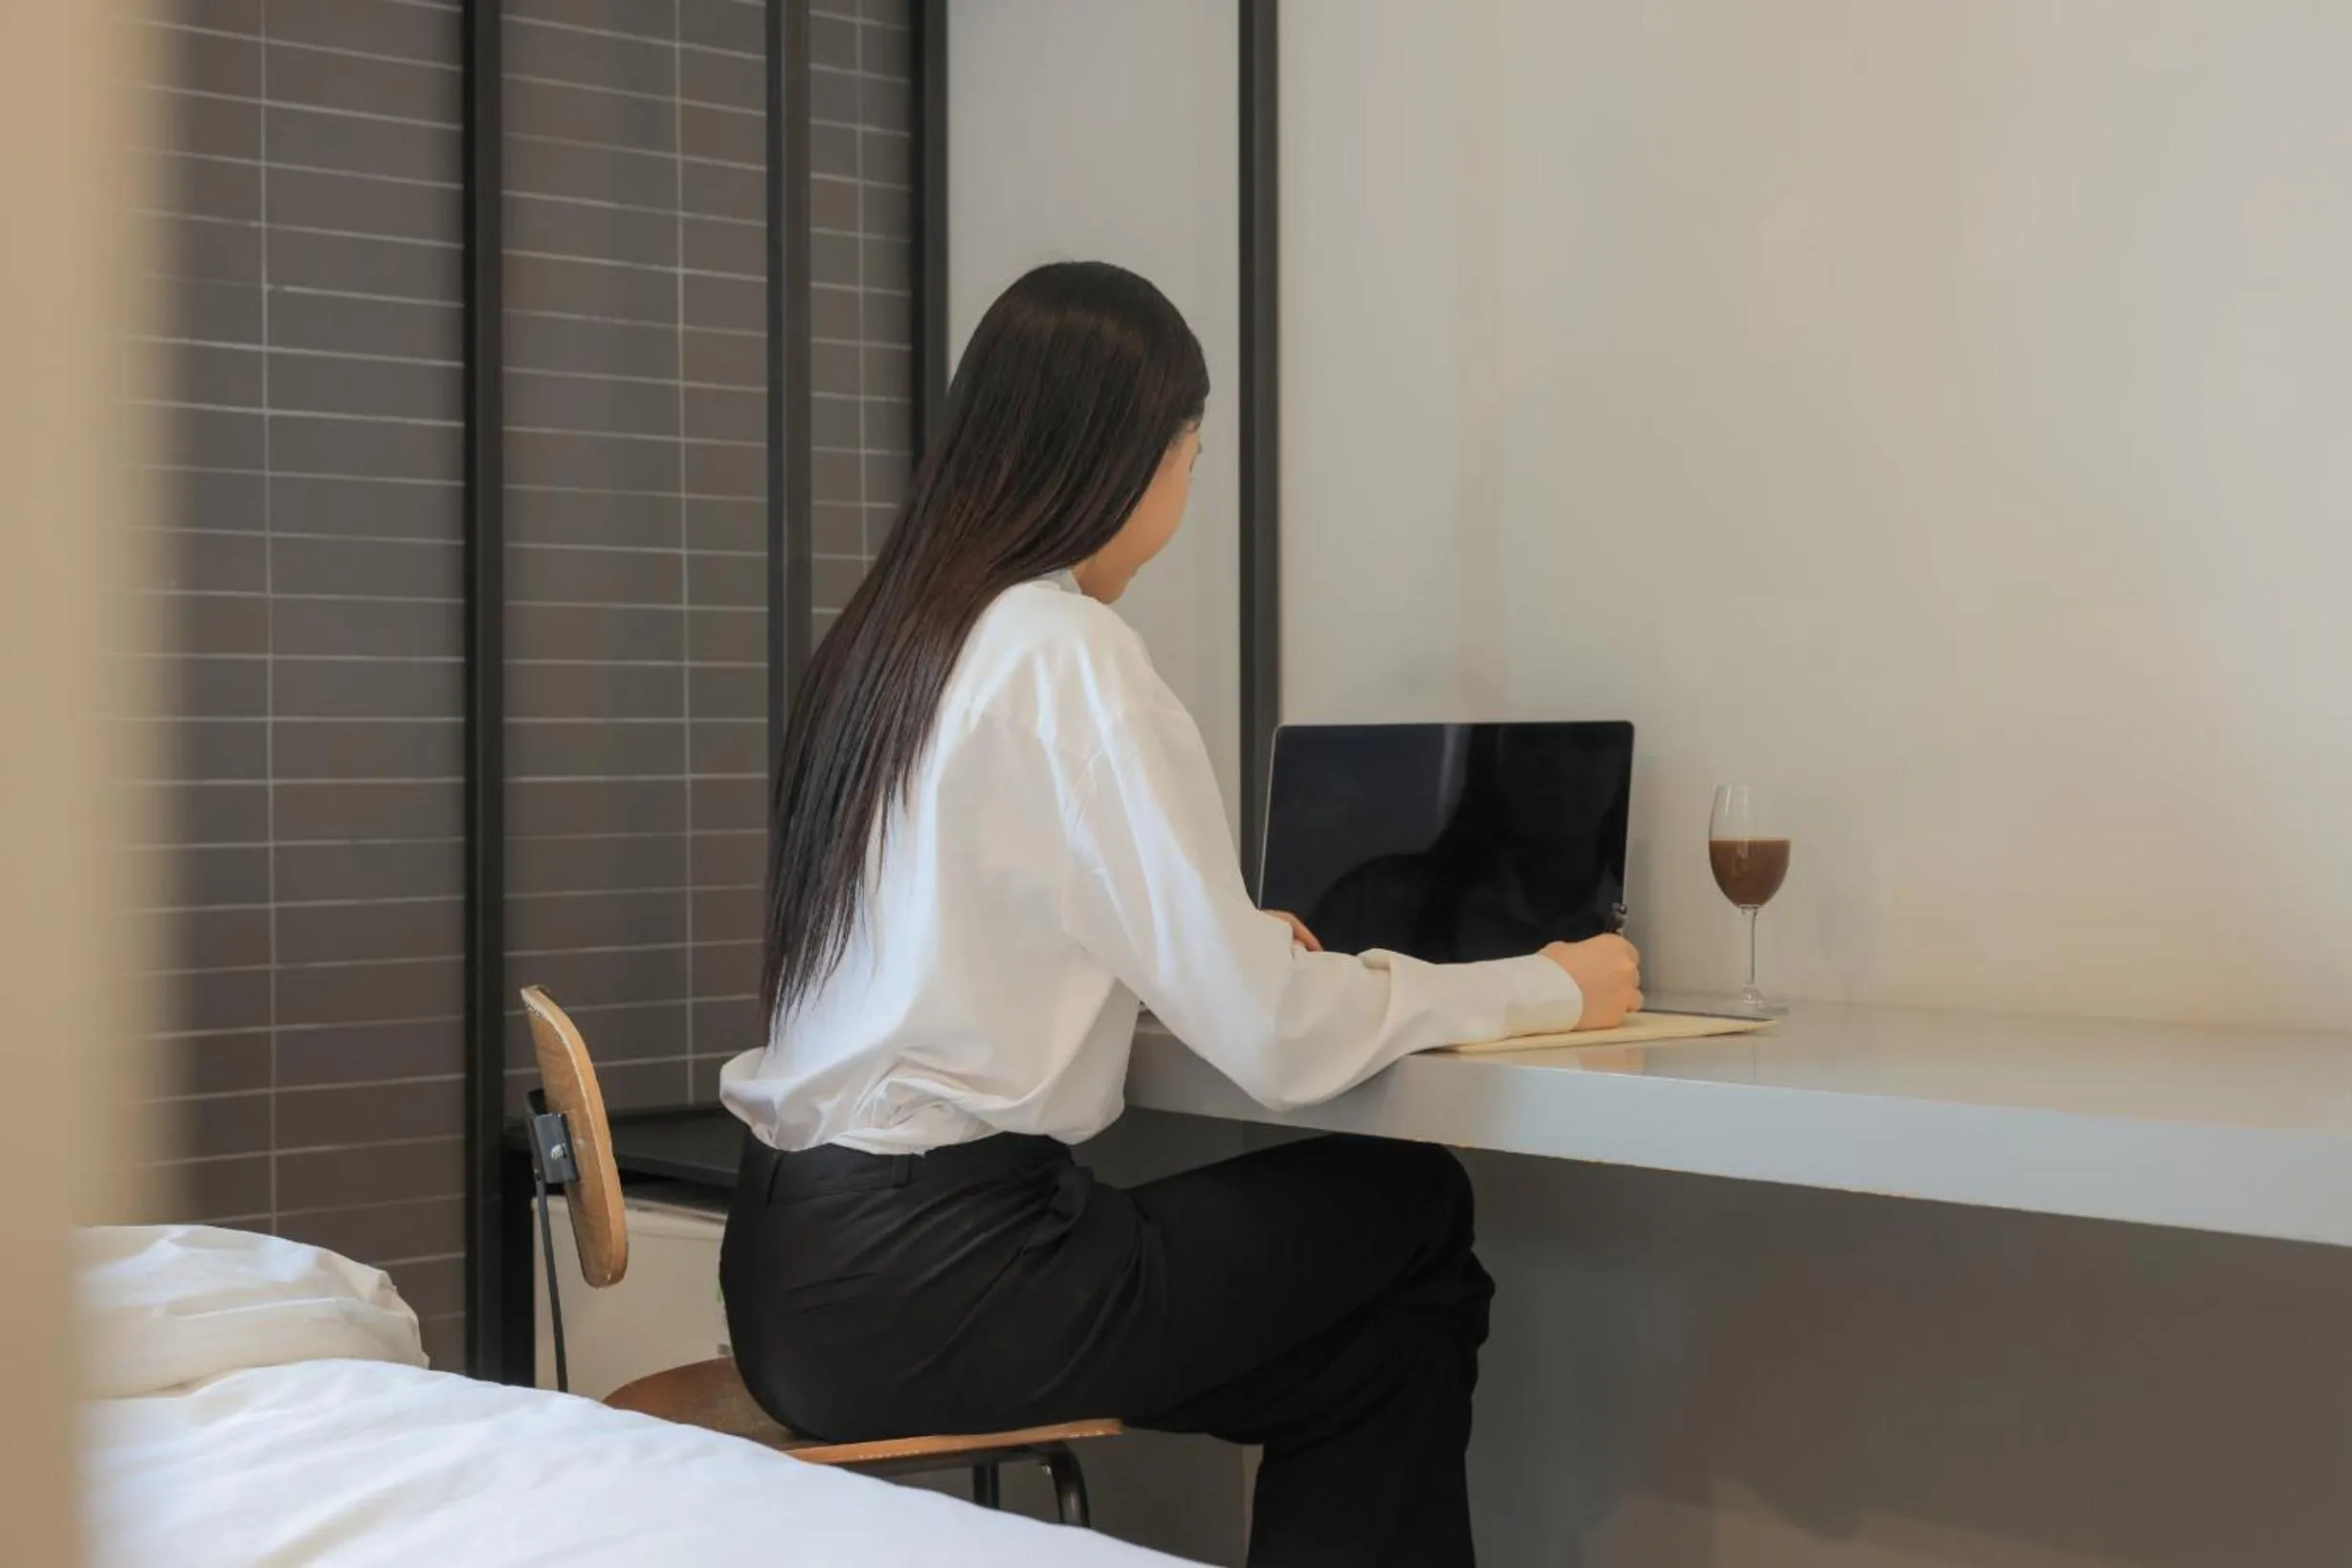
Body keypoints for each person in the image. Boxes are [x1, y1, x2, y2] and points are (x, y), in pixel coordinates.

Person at [717, 261, 1642, 1568]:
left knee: (1374, 1349)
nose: (1187, 492)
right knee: (1413, 1200)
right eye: (1190, 455)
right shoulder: (1064, 650)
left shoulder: (886, 644)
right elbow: (1275, 1042)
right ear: (1129, 456)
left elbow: (964, 936)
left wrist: (1205, 942)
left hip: (795, 1276)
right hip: (942, 1282)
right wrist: (1547, 981)